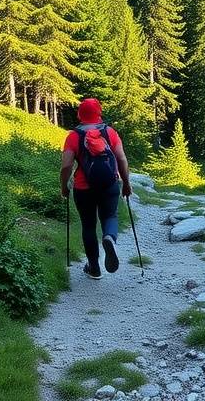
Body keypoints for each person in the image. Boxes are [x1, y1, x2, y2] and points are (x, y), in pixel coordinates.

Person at [61, 98, 132, 279]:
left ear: (79, 114)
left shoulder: (74, 136)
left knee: (88, 225)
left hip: (83, 188)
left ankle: (94, 268)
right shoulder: (110, 133)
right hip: (109, 185)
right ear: (99, 113)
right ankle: (109, 238)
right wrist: (126, 184)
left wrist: (64, 187)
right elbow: (122, 160)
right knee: (110, 216)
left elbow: (66, 166)